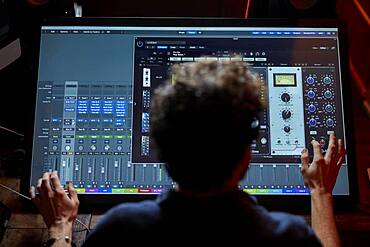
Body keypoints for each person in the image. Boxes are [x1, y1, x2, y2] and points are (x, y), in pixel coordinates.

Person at [30, 60, 345, 247]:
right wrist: (320, 192)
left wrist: (60, 229)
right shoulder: (288, 239)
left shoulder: (120, 231)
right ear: (247, 156)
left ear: (162, 149)